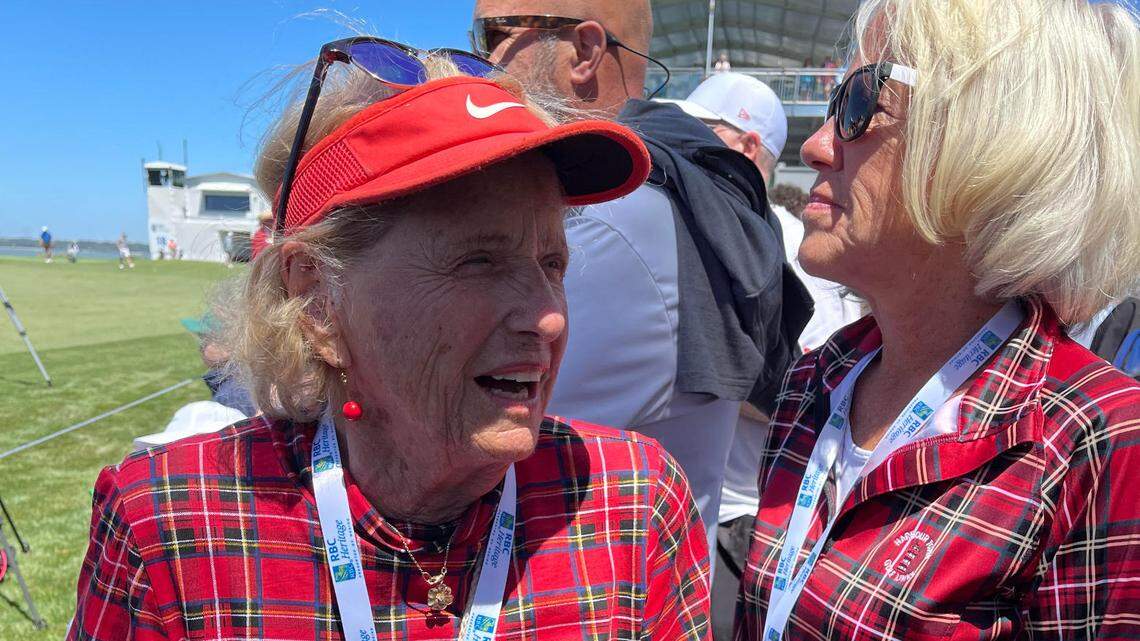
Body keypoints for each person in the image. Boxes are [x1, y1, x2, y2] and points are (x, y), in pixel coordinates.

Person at [70, 43, 711, 640]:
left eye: (552, 264)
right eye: (478, 261)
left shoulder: (633, 502)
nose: (547, 318)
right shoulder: (172, 529)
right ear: (318, 303)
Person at [735, 1, 1140, 639]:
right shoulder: (814, 382)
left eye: (861, 101)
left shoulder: (1095, 438)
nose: (816, 146)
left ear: (995, 140)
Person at [472, 0, 811, 555]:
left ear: (584, 51)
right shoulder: (642, 202)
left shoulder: (611, 218)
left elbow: (438, 435)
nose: (476, 64)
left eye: (492, 37)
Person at [669, 72, 864, 640]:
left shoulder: (792, 245)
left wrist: (715, 371)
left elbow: (802, 387)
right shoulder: (694, 220)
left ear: (747, 146)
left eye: (701, 129)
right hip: (689, 512)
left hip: (744, 523)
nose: (680, 140)